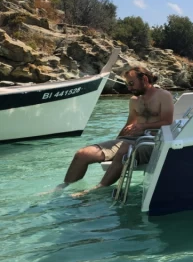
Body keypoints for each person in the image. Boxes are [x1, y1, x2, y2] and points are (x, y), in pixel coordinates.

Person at [58, 66, 174, 197]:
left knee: (123, 149)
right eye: (127, 84)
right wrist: (117, 139)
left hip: (153, 142)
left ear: (145, 79)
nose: (129, 88)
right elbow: (130, 123)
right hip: (130, 141)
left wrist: (143, 127)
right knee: (83, 154)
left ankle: (98, 188)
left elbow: (167, 122)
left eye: (131, 83)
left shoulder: (164, 96)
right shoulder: (134, 101)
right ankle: (64, 187)